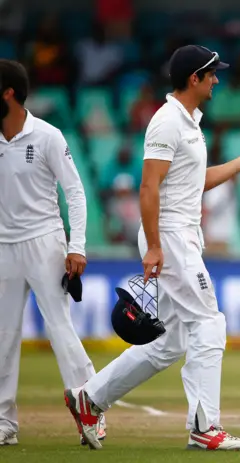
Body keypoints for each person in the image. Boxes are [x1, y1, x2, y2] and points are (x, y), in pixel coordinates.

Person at [63, 45, 240, 451]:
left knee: (170, 343)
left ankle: (89, 398)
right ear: (193, 78)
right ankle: (205, 427)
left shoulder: (189, 123)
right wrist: (155, 246)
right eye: (212, 74)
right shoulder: (167, 123)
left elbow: (195, 182)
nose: (217, 79)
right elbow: (148, 186)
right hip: (172, 235)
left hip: (180, 235)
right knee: (210, 323)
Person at [0, 59, 103, 446]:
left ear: (8, 92)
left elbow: (74, 192)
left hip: (45, 241)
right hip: (3, 246)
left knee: (59, 328)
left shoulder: (47, 136)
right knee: (3, 335)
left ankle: (93, 407)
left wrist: (76, 246)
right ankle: (4, 423)